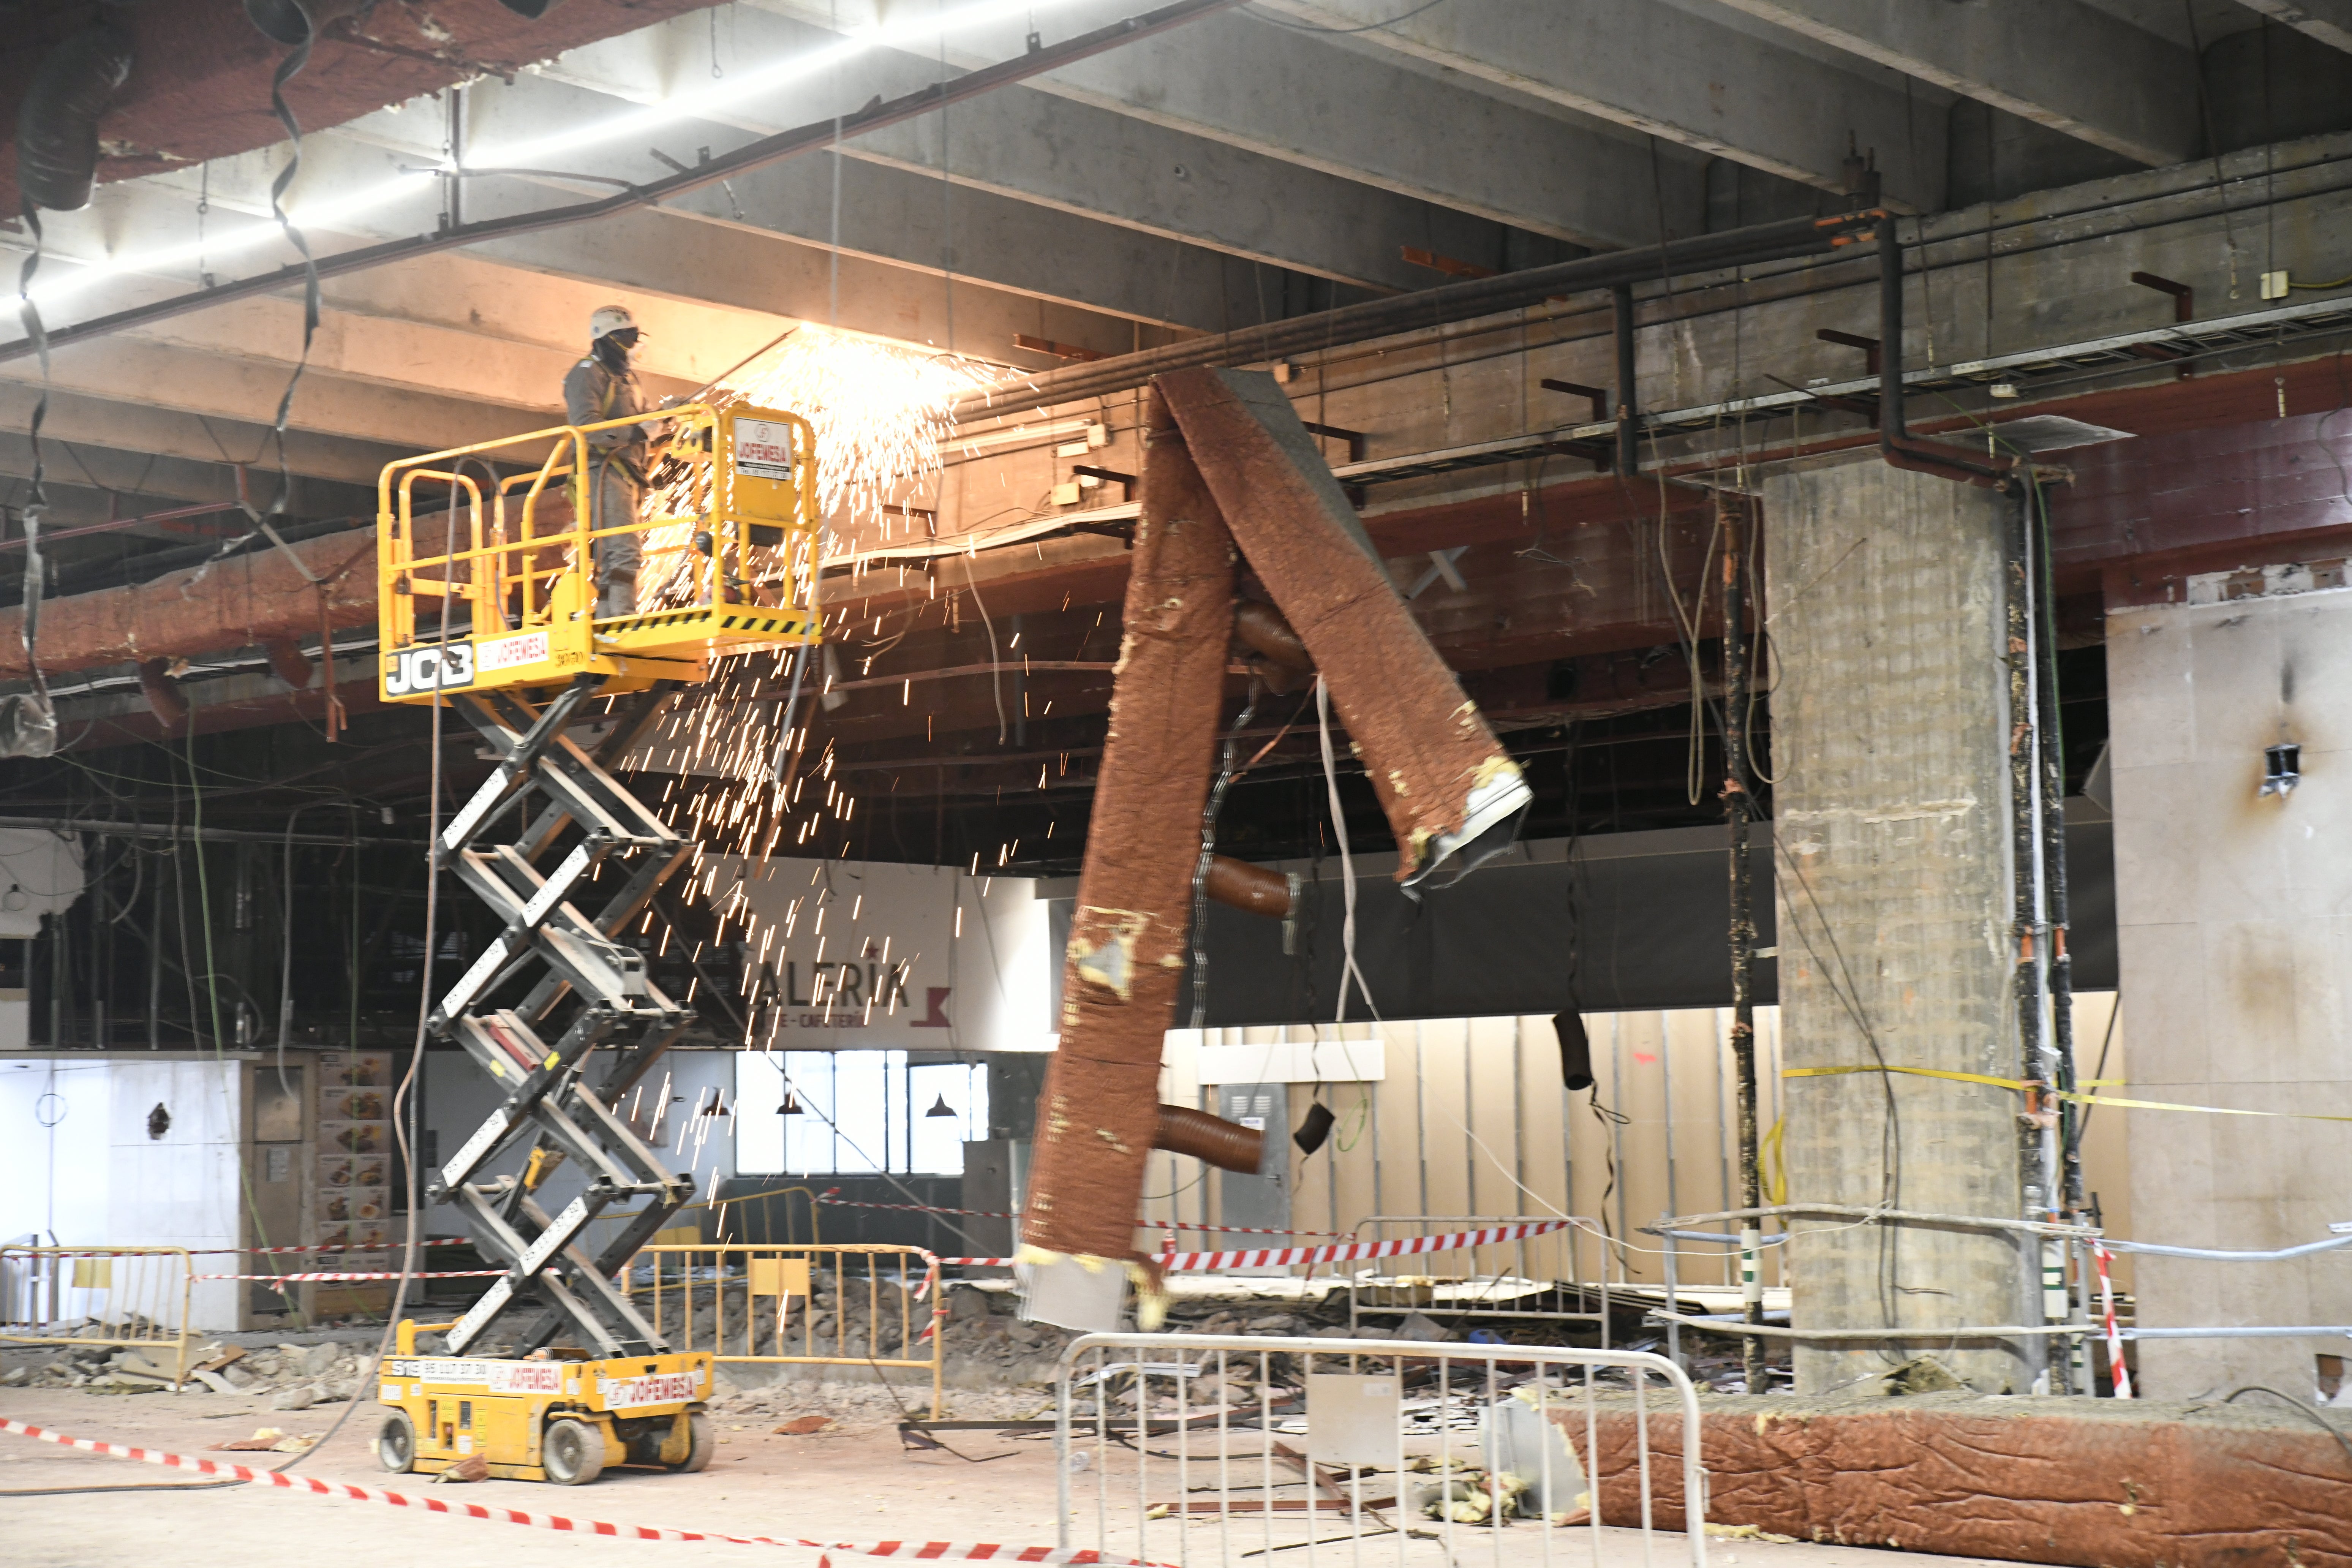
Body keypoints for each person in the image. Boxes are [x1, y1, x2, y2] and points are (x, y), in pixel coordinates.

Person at [563, 305, 666, 620]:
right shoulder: (586, 374)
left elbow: (644, 421)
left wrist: (667, 417)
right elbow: (585, 425)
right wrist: (635, 431)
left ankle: (608, 615)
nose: (633, 343)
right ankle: (621, 616)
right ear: (607, 338)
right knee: (623, 548)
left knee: (614, 550)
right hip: (603, 470)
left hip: (628, 472)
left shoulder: (629, 378)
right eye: (626, 336)